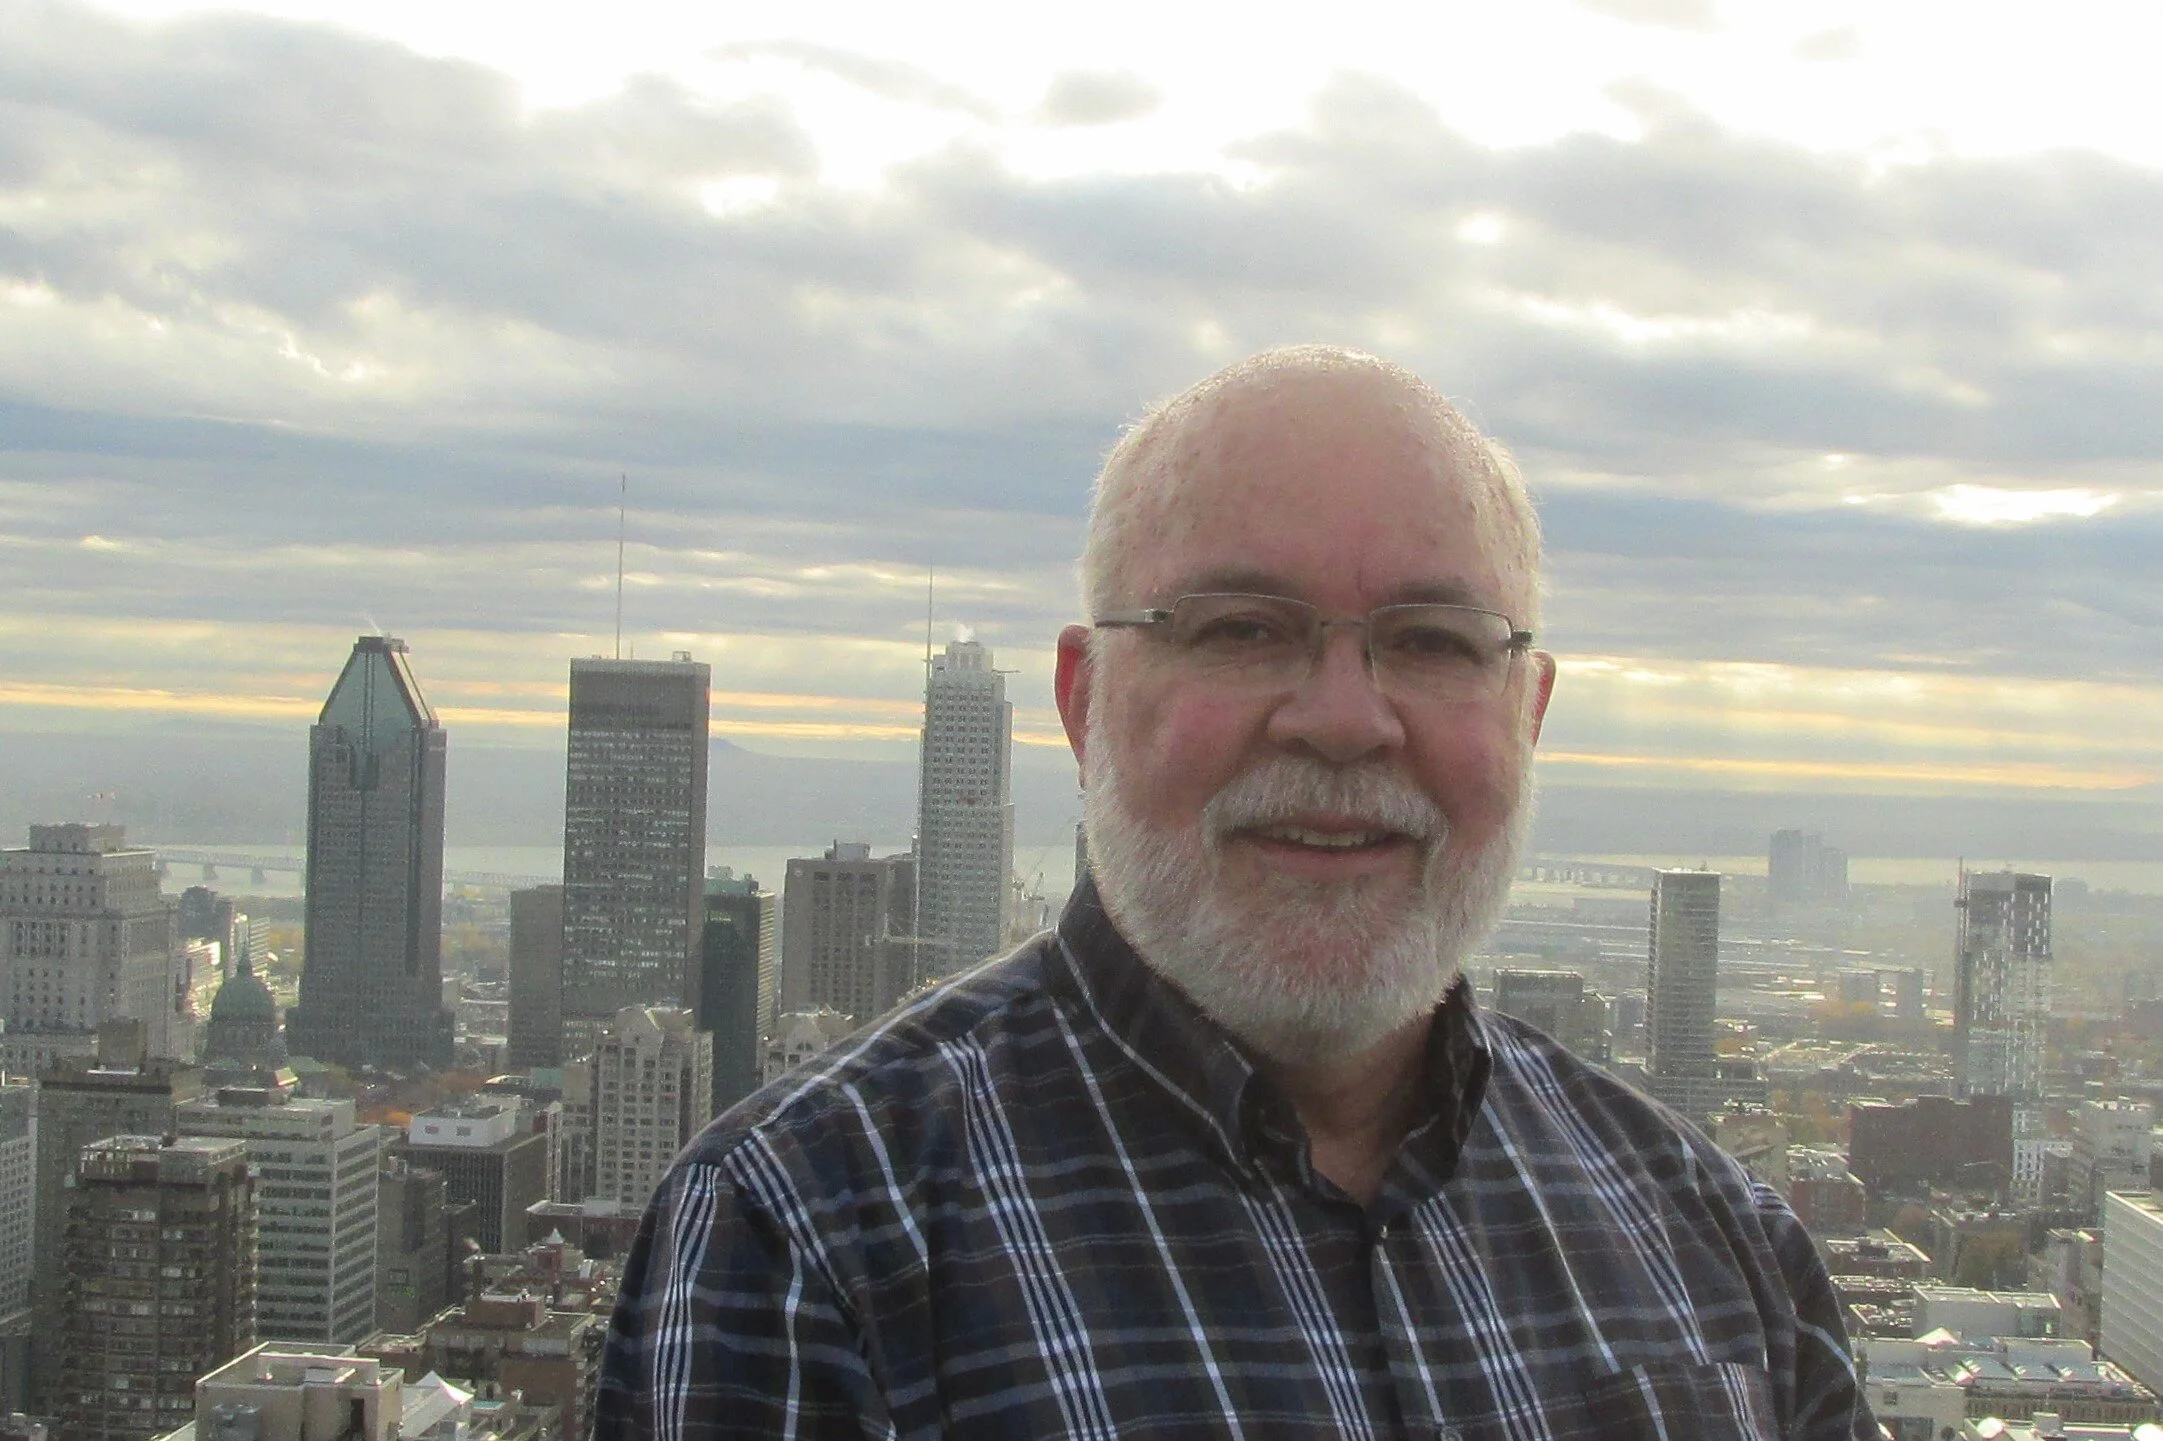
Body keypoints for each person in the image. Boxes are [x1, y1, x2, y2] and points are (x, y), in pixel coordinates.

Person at [594, 346, 1879, 1441]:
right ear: (1085, 702)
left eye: (1434, 642)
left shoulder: (1723, 1248)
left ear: (1528, 717)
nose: (1344, 720)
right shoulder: (808, 1239)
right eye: (1242, 628)